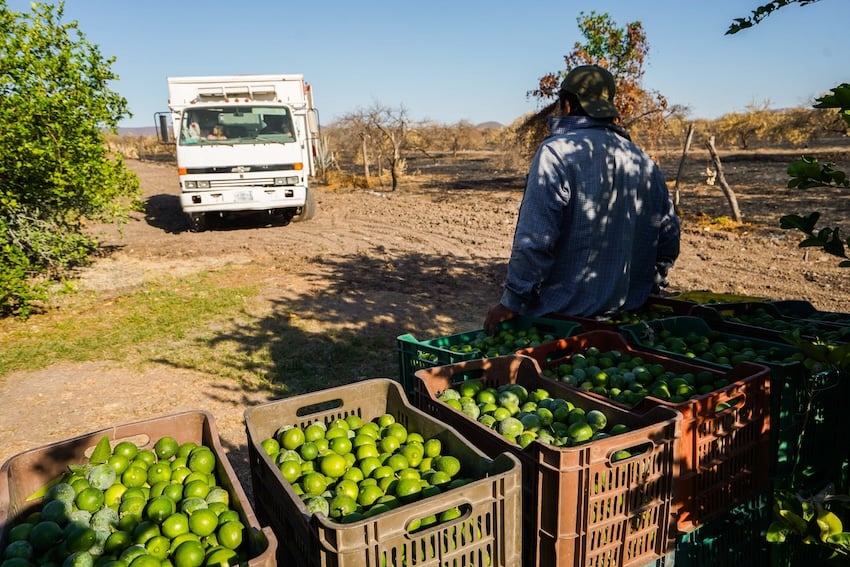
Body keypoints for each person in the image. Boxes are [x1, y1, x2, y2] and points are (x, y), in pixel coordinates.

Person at [484, 64, 680, 333]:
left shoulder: (556, 153)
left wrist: (512, 301)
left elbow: (535, 240)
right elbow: (668, 237)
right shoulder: (643, 160)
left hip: (563, 323)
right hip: (628, 321)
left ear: (566, 104)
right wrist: (647, 285)